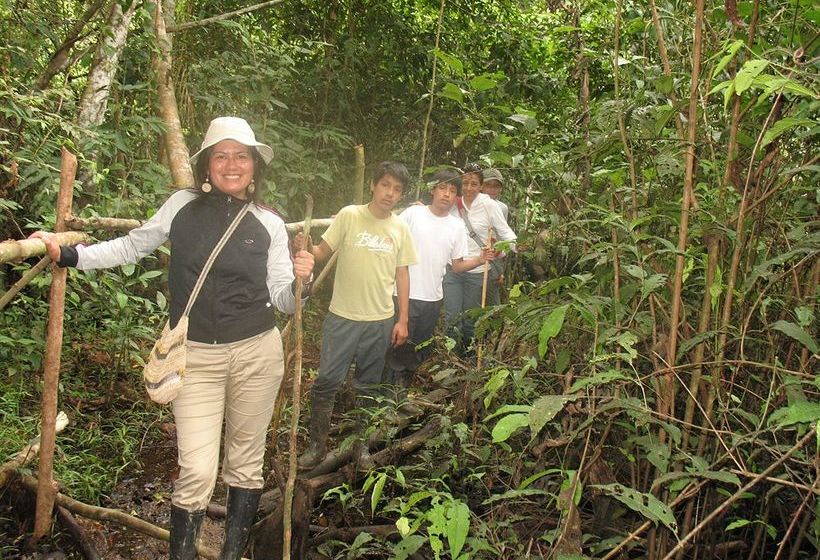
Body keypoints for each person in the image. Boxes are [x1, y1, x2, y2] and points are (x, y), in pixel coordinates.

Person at [30, 116, 315, 560]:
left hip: (257, 353)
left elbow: (284, 302)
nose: (232, 164)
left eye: (241, 155)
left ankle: (231, 554)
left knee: (245, 464)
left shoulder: (269, 223)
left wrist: (303, 282)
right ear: (206, 165)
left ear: (255, 166)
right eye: (221, 155)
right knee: (197, 472)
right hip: (193, 357)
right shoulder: (181, 206)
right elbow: (131, 245)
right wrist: (69, 254)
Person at [296, 161, 417, 471]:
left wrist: (402, 319)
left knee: (369, 385)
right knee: (327, 381)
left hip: (379, 319)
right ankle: (317, 446)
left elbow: (402, 274)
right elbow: (322, 252)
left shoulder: (400, 227)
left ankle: (360, 448)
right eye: (386, 185)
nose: (390, 193)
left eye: (397, 189)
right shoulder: (350, 215)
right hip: (342, 317)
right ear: (374, 186)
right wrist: (307, 248)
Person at [385, 168, 495, 397]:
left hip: (433, 298)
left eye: (452, 190)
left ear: (456, 196)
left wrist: (479, 259)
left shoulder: (456, 226)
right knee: (396, 345)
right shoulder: (414, 214)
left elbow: (456, 265)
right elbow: (386, 226)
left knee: (419, 349)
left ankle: (405, 392)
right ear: (433, 190)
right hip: (403, 294)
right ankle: (387, 394)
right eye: (442, 188)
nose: (446, 194)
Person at [442, 162, 516, 356]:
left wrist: (497, 252)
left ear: (481, 185)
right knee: (451, 317)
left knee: (470, 318)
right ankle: (450, 357)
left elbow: (510, 238)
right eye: (465, 183)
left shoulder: (490, 206)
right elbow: (436, 217)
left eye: (474, 184)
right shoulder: (452, 202)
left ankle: (469, 357)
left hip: (477, 273)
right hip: (454, 269)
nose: (468, 188)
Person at [480, 167, 515, 302]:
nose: (492, 190)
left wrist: (500, 271)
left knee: (493, 301)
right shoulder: (472, 205)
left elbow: (502, 236)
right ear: (481, 186)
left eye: (496, 186)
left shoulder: (502, 208)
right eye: (488, 185)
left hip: (494, 259)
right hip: (475, 257)